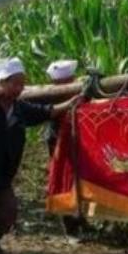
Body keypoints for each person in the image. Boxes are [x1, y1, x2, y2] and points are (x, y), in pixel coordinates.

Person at [0, 57, 81, 254]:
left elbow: (47, 112)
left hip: (2, 175)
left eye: (22, 83)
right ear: (1, 83)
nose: (20, 88)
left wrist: (71, 102)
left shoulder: (20, 108)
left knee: (8, 212)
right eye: (15, 83)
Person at [45, 59, 87, 242]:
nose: (69, 84)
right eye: (64, 82)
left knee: (82, 179)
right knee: (63, 179)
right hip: (59, 141)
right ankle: (69, 227)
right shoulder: (49, 95)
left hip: (80, 142)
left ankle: (81, 220)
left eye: (70, 80)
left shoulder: (81, 92)